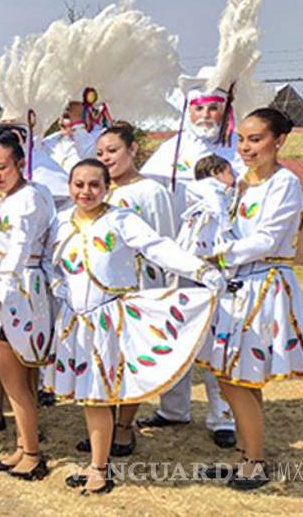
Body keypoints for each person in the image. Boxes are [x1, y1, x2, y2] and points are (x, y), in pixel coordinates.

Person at [46, 160, 225, 495]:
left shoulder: (121, 219)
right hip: (76, 323)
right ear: (69, 187)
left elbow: (158, 247)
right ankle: (98, 461)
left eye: (94, 185)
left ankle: (100, 468)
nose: (86, 192)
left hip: (109, 321)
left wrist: (199, 270)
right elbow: (48, 260)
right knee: (92, 396)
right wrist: (57, 285)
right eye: (79, 184)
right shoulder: (60, 222)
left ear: (107, 187)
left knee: (100, 394)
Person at [91, 124, 236, 450]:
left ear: (132, 150)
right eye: (100, 153)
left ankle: (125, 427)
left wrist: (167, 288)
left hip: (142, 287)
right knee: (108, 358)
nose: (106, 158)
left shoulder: (151, 191)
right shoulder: (99, 191)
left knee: (136, 356)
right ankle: (105, 425)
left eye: (113, 150)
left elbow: (165, 242)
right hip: (106, 292)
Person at [197, 108, 303, 490]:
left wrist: (218, 254)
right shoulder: (239, 181)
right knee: (236, 377)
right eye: (242, 140)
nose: (246, 148)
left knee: (238, 377)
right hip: (236, 284)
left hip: (263, 285)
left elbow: (266, 239)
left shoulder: (285, 183)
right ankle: (245, 454)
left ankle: (255, 461)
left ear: (278, 140)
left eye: (256, 139)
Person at [0, 133, 55, 480]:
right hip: (7, 286)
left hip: (18, 290)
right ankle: (23, 444)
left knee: (13, 377)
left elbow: (20, 243)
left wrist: (5, 284)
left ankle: (32, 453)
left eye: (2, 167)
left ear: (20, 164)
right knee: (17, 375)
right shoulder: (10, 197)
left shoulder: (28, 199)